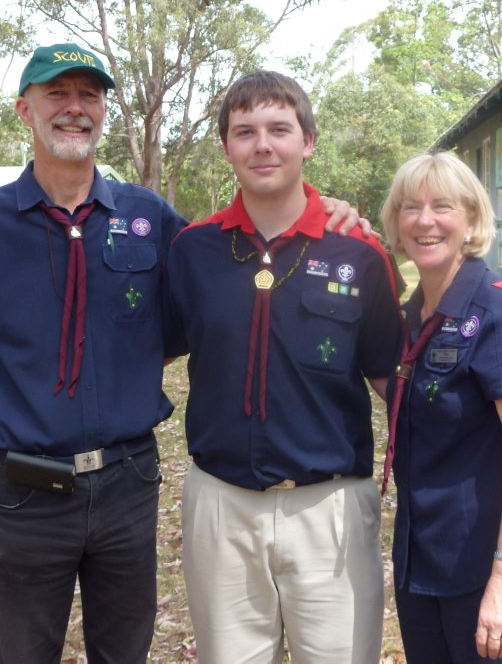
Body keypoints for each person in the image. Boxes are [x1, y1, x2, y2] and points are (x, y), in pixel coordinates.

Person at [0, 45, 362, 663]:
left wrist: (328, 214)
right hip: (25, 488)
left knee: (125, 653)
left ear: (104, 111)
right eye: (58, 93)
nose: (75, 108)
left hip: (127, 483)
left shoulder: (149, 218)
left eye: (90, 95)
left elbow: (240, 262)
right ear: (25, 109)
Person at [165, 71, 404, 664]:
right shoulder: (192, 249)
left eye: (279, 129)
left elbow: (389, 378)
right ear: (227, 147)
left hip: (331, 509)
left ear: (309, 142)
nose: (262, 145)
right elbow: (150, 348)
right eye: (245, 132)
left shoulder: (359, 253)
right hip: (221, 507)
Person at [379, 152, 502, 664]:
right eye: (410, 207)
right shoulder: (414, 315)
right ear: (396, 222)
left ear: (472, 220)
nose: (425, 220)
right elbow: (416, 398)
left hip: (485, 565)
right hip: (422, 558)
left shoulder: (501, 312)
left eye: (443, 206)